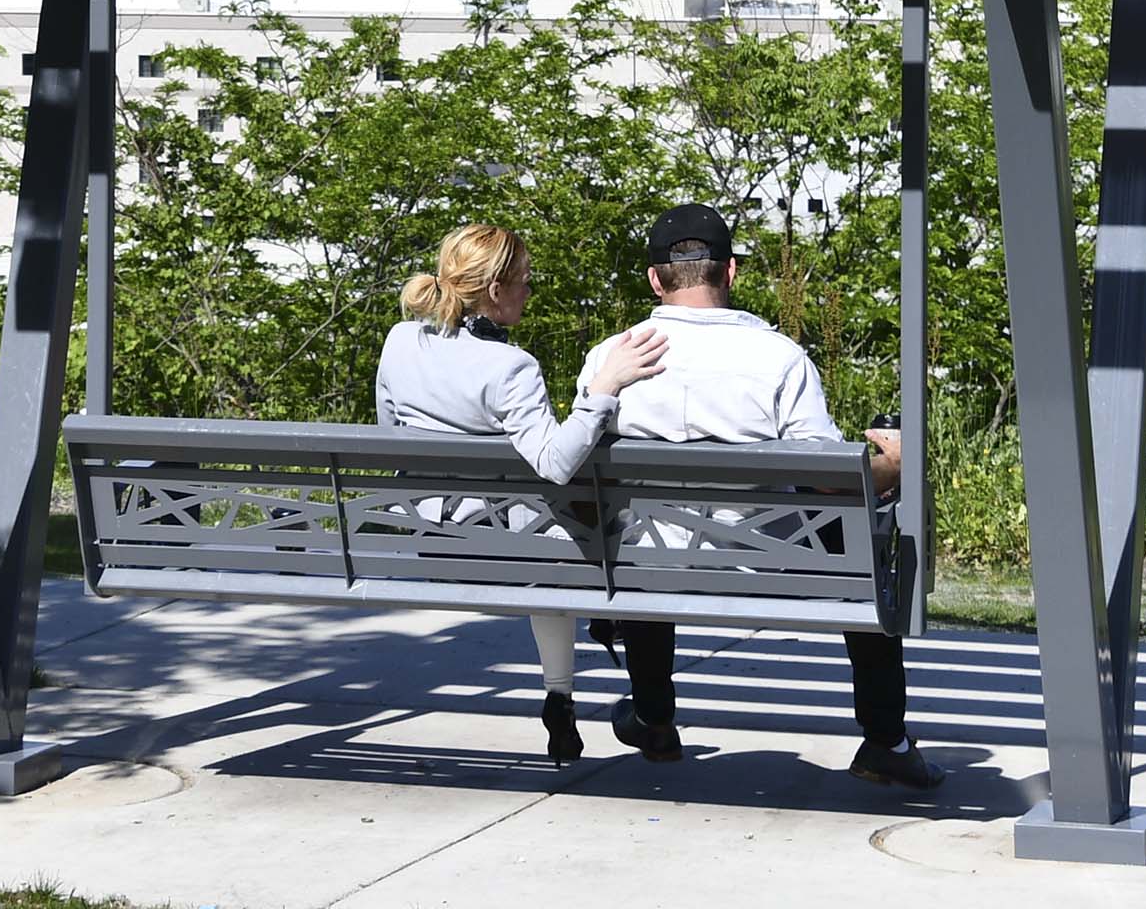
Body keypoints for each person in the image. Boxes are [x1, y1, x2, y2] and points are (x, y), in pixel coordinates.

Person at [573, 203, 944, 789]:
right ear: (732, 273)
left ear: (654, 279)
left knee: (643, 528)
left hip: (643, 562)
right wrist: (893, 464)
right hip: (765, 563)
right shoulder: (778, 357)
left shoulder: (609, 359)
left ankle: (651, 714)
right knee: (866, 546)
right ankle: (885, 739)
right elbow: (830, 480)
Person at [376, 223, 669, 765]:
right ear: (495, 290)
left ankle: (564, 694)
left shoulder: (399, 341)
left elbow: (390, 432)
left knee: (548, 538)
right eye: (525, 283)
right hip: (494, 546)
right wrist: (604, 389)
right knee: (564, 542)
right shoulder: (511, 367)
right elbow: (555, 463)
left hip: (422, 536)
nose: (530, 293)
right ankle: (561, 691)